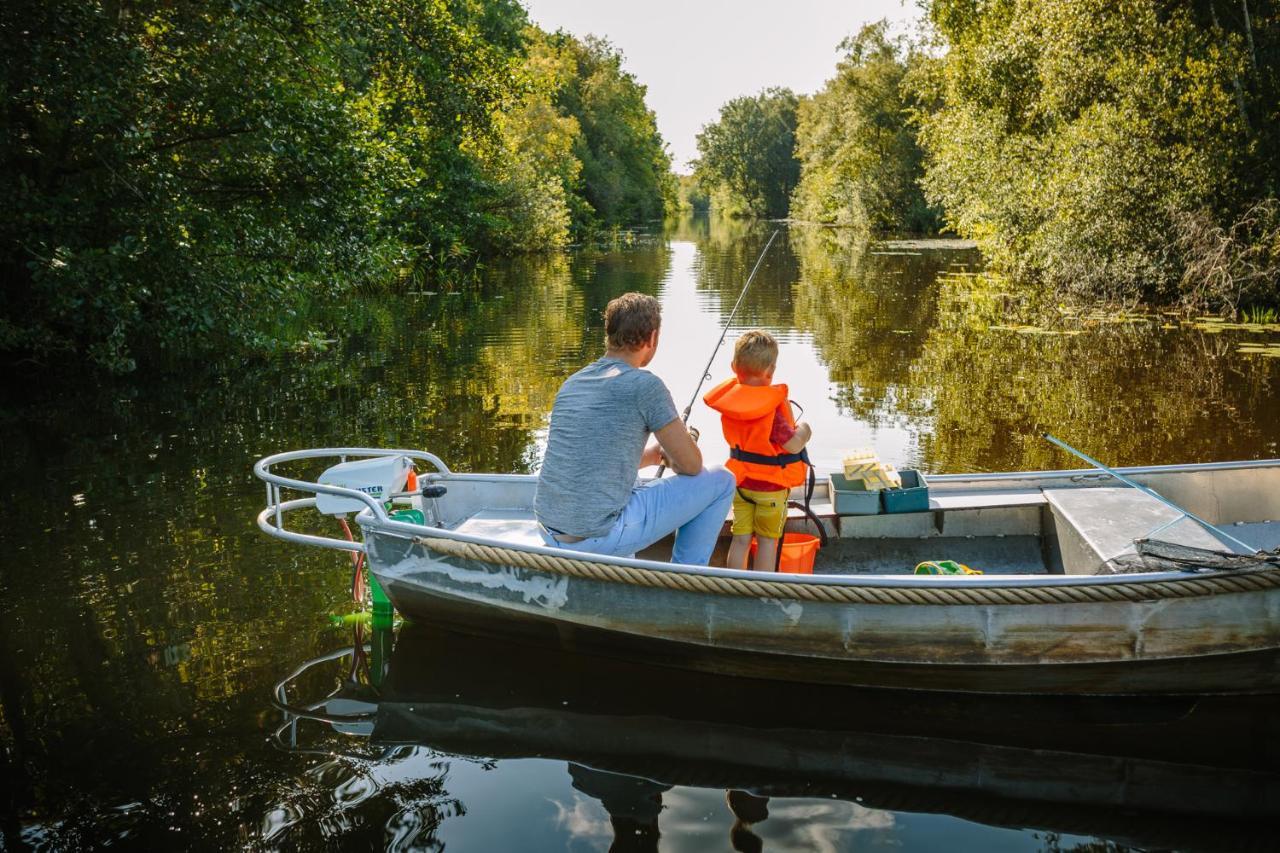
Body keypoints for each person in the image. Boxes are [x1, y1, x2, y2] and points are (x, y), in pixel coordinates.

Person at [534, 292, 736, 565]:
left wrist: (654, 455)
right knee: (722, 480)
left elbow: (587, 461)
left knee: (635, 486)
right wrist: (680, 450)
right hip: (597, 538)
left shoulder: (573, 383)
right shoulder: (646, 387)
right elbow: (691, 466)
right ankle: (687, 577)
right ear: (652, 338)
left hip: (550, 532)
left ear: (609, 334)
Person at [703, 330, 812, 571]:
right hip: (771, 489)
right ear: (770, 371)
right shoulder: (770, 408)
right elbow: (793, 445)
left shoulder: (732, 403)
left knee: (740, 539)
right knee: (767, 542)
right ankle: (762, 587)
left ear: (734, 367)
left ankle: (735, 584)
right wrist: (805, 429)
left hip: (741, 486)